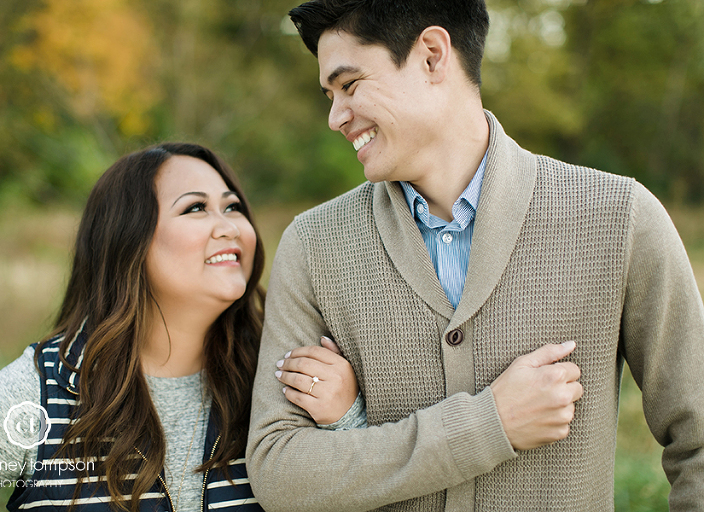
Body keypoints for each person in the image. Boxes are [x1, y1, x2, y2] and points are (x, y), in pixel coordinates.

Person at [246, 1, 704, 510]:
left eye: (350, 85)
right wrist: (489, 424)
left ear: (432, 56)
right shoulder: (313, 245)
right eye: (330, 95)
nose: (335, 117)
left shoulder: (619, 218)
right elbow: (278, 471)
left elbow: (698, 442)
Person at [0, 142, 360, 512]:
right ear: (128, 238)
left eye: (233, 207)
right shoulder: (40, 393)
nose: (230, 227)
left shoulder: (286, 374)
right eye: (195, 208)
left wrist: (344, 419)